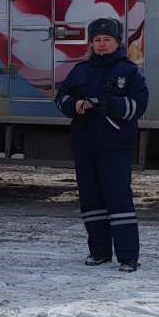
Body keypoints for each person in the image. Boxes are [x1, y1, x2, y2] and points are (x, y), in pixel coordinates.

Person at [55, 15, 149, 270]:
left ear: (117, 42)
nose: (101, 44)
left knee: (118, 200)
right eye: (97, 40)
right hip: (85, 144)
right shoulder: (80, 70)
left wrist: (108, 105)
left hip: (115, 146)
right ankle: (99, 252)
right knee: (91, 200)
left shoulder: (129, 72)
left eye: (107, 39)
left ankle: (128, 257)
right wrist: (75, 105)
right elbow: (61, 98)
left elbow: (138, 107)